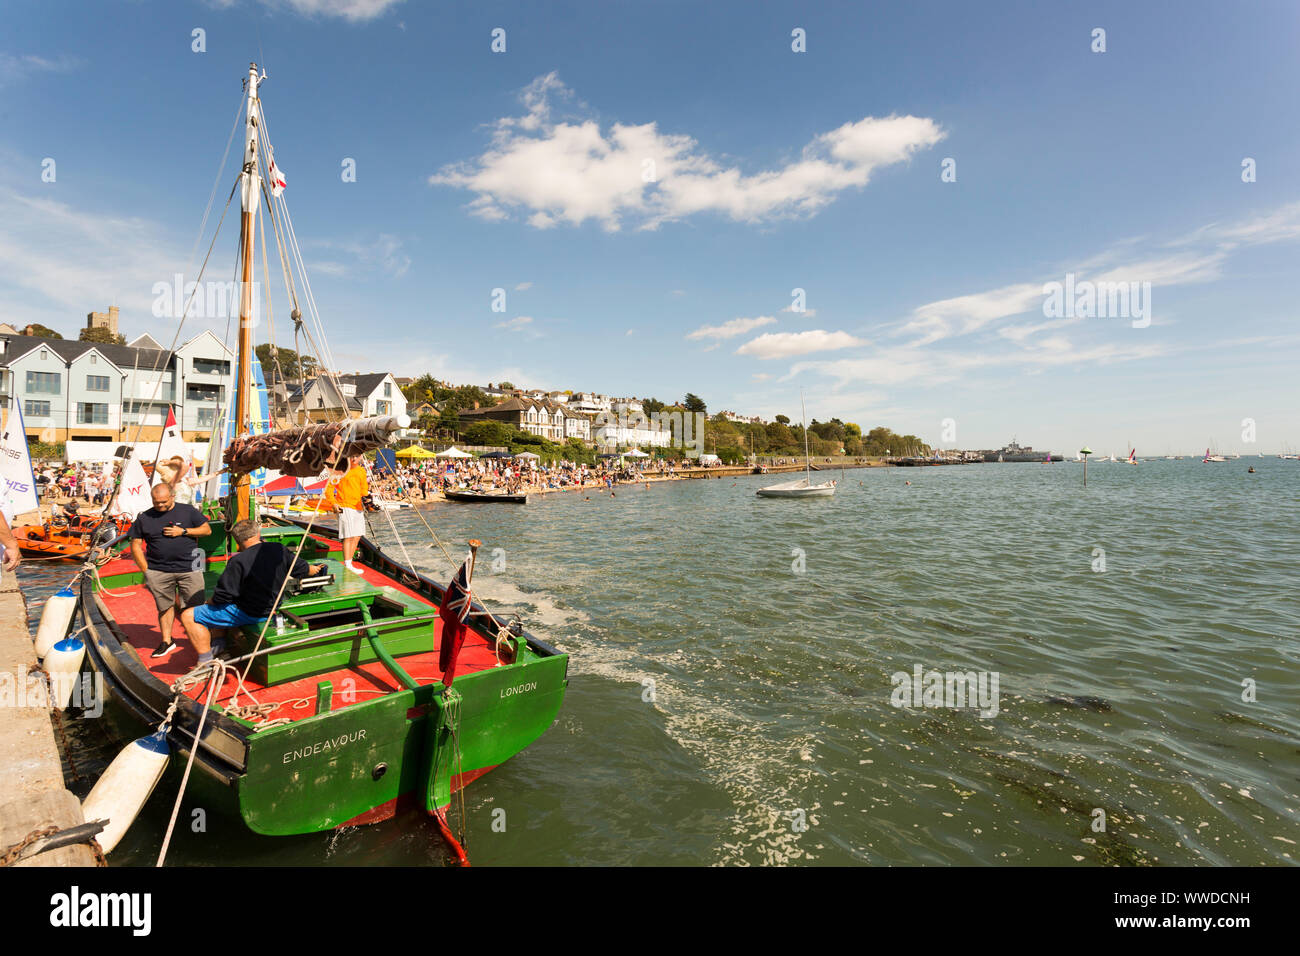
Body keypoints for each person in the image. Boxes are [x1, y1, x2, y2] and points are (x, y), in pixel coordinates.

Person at [180, 520, 324, 664]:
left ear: (237, 541)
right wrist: (315, 569)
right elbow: (305, 570)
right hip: (272, 609)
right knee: (220, 607)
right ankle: (220, 645)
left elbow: (222, 596)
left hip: (248, 613)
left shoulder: (237, 561)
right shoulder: (279, 549)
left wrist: (208, 602)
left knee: (188, 616)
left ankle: (205, 662)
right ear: (258, 534)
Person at [128, 483, 211, 659]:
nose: (160, 506)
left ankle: (199, 641)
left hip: (190, 566)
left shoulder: (187, 511)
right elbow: (135, 544)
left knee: (195, 605)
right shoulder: (145, 517)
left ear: (173, 496)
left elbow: (207, 530)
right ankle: (167, 641)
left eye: (164, 502)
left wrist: (183, 531)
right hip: (158, 570)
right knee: (164, 606)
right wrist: (146, 571)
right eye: (156, 502)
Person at [323, 453, 368, 572]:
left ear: (361, 457)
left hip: (358, 506)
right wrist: (333, 503)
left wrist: (368, 498)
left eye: (357, 456)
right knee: (348, 536)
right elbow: (329, 488)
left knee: (357, 535)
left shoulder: (361, 471)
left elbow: (364, 489)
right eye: (352, 456)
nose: (354, 458)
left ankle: (350, 563)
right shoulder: (340, 470)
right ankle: (348, 565)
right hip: (344, 505)